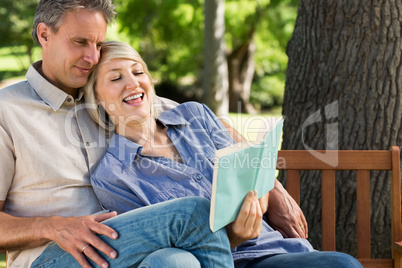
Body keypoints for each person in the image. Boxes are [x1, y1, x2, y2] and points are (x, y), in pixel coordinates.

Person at [0, 0, 312, 267]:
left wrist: (273, 188)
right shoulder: (9, 110)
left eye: (97, 44)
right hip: (60, 256)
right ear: (44, 34)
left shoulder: (108, 94)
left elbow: (213, 125)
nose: (93, 56)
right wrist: (52, 226)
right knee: (193, 213)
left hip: (135, 245)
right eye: (80, 42)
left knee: (175, 262)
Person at [85, 41, 364, 268]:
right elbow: (161, 255)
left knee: (343, 265)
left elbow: (253, 177)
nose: (132, 83)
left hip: (274, 252)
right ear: (97, 98)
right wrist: (230, 238)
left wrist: (261, 199)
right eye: (115, 78)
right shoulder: (112, 176)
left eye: (138, 72)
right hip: (213, 263)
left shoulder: (196, 116)